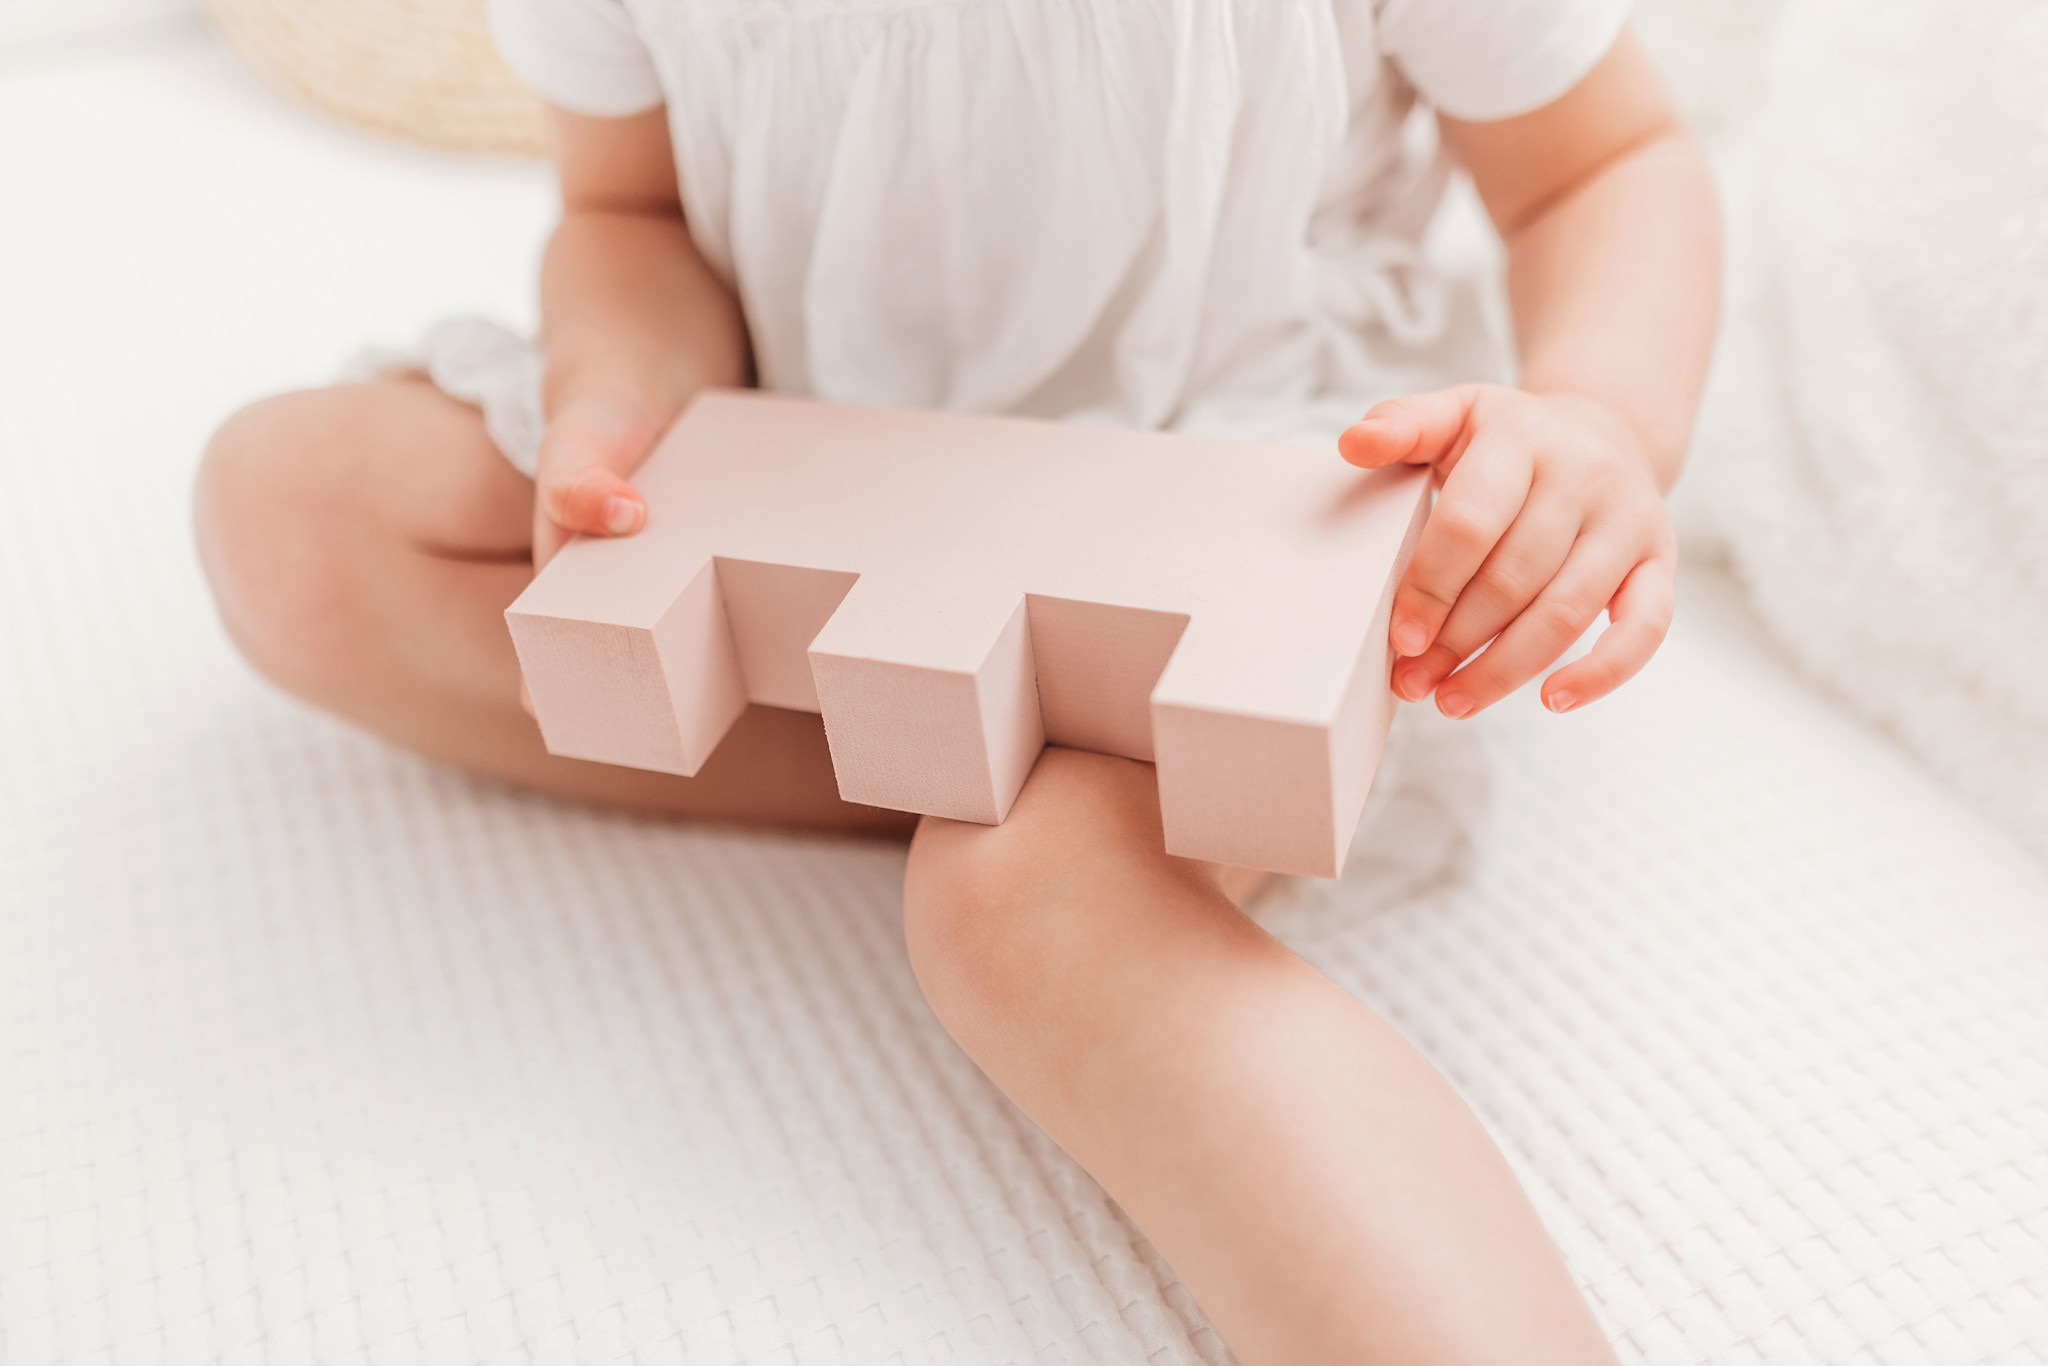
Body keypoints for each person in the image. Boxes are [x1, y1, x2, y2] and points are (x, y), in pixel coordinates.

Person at [194, 1, 1718, 1359]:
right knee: (293, 517)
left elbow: (1604, 165)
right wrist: (622, 391)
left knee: (1021, 910)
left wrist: (1596, 416)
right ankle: (931, 733)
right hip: (830, 470)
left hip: (1241, 487)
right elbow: (629, 214)